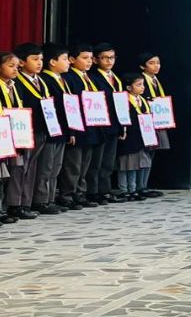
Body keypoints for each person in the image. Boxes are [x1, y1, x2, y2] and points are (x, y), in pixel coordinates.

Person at [8, 43, 51, 217]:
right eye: (35, 59)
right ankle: (15, 204)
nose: (39, 63)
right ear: (22, 62)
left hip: (41, 129)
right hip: (24, 131)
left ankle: (27, 202)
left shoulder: (41, 81)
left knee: (32, 168)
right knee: (20, 169)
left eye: (41, 59)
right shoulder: (17, 82)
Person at [60, 43, 102, 210]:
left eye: (91, 58)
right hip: (77, 126)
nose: (89, 61)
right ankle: (67, 195)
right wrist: (72, 129)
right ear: (72, 59)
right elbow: (69, 105)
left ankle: (80, 193)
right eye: (84, 58)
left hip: (91, 126)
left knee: (85, 164)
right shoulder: (69, 78)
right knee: (73, 164)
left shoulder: (90, 78)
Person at [87, 43, 127, 204]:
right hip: (100, 124)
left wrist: (123, 124)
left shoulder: (115, 77)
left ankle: (105, 190)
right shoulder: (93, 77)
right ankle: (93, 192)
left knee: (108, 162)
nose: (109, 61)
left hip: (114, 124)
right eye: (105, 58)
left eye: (112, 57)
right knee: (96, 161)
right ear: (96, 60)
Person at [39, 43, 74, 213]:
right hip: (51, 128)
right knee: (46, 167)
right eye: (65, 59)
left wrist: (71, 130)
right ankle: (41, 200)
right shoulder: (46, 80)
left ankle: (51, 198)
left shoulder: (62, 80)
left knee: (55, 167)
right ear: (52, 62)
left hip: (62, 129)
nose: (69, 62)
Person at [117, 74, 152, 201]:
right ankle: (123, 189)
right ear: (128, 87)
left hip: (140, 136)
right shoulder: (123, 100)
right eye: (138, 85)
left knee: (135, 165)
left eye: (143, 84)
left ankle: (133, 189)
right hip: (128, 136)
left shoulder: (142, 100)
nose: (142, 87)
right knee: (125, 164)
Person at [138, 52, 168, 198]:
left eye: (158, 62)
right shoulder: (141, 80)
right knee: (144, 154)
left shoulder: (156, 80)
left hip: (158, 119)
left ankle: (144, 184)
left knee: (151, 153)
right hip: (146, 121)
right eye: (151, 63)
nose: (156, 66)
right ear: (142, 66)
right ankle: (139, 186)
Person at [0, 52, 22, 223]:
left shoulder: (13, 85)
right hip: (2, 134)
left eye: (16, 66)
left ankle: (5, 208)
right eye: (10, 66)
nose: (15, 69)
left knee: (7, 175)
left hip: (12, 134)